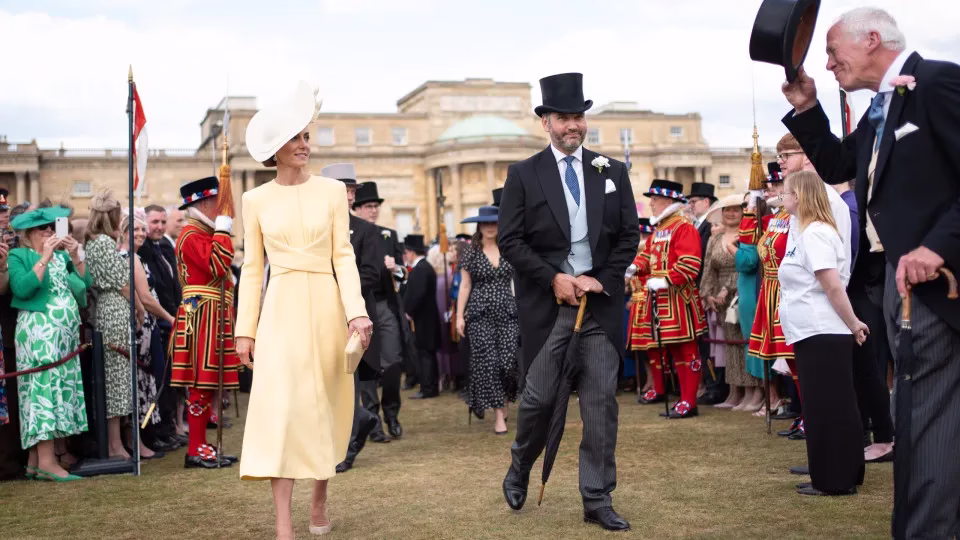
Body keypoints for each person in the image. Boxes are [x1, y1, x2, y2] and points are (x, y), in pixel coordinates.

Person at [782, 9, 960, 535]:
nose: (829, 62)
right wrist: (810, 107)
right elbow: (839, 166)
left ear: (874, 40)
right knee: (916, 421)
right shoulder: (880, 109)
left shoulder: (938, 83)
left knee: (928, 422)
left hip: (936, 285)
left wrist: (937, 246)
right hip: (899, 291)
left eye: (834, 51)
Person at [498, 73, 639, 531]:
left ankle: (597, 498)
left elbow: (628, 237)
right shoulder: (523, 174)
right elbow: (511, 241)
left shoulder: (612, 171)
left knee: (600, 405)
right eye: (563, 118)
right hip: (548, 309)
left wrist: (602, 279)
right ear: (546, 122)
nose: (573, 125)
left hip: (599, 308)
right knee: (538, 400)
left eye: (579, 116)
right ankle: (521, 465)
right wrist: (552, 277)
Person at [237, 80, 373, 539]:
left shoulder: (333, 192)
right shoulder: (254, 200)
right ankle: (282, 524)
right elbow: (252, 270)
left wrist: (357, 312)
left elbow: (343, 258)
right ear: (275, 148)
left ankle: (319, 496)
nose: (304, 145)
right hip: (279, 312)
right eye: (295, 138)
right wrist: (245, 331)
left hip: (327, 309)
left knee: (325, 406)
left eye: (306, 136)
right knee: (280, 411)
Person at [778, 170, 868, 496]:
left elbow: (831, 285)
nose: (781, 197)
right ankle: (839, 471)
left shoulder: (815, 233)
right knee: (827, 404)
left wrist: (853, 322)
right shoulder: (805, 232)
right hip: (811, 329)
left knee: (827, 406)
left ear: (799, 197)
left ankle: (835, 478)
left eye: (785, 193)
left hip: (822, 328)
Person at [9, 206, 90, 481]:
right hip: (38, 334)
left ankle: (35, 462)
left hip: (63, 337)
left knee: (57, 391)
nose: (49, 232)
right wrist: (43, 257)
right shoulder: (19, 255)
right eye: (43, 228)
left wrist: (75, 256)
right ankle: (46, 462)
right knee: (41, 392)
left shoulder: (60, 258)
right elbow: (22, 288)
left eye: (51, 227)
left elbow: (83, 287)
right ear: (28, 234)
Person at [168, 175, 241, 469]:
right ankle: (195, 449)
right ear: (202, 204)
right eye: (216, 203)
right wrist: (223, 232)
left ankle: (200, 444)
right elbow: (218, 264)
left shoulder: (201, 232)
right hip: (202, 316)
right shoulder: (191, 234)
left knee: (209, 383)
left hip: (212, 313)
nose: (222, 209)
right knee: (200, 382)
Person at [318, 163, 384, 474]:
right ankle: (356, 424)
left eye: (350, 191)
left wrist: (334, 290)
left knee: (347, 381)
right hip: (316, 315)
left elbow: (371, 275)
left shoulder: (367, 231)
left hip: (351, 317)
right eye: (342, 190)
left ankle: (345, 445)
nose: (347, 196)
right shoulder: (314, 227)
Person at [631, 180, 707, 419]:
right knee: (674, 351)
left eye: (655, 199)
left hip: (680, 300)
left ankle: (690, 401)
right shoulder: (659, 230)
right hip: (662, 303)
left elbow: (691, 263)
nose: (651, 204)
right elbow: (647, 256)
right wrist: (634, 267)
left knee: (688, 350)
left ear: (669, 201)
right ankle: (683, 399)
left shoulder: (683, 227)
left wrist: (666, 279)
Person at [456, 205, 519, 435]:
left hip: (508, 312)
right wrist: (459, 317)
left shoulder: (510, 249)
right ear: (480, 225)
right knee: (490, 363)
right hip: (479, 314)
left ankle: (504, 400)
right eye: (487, 223)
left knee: (508, 361)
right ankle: (499, 415)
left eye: (495, 222)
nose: (491, 227)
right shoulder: (470, 252)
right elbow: (465, 285)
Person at [85, 189, 139, 459]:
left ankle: (116, 442)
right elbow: (123, 283)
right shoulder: (104, 244)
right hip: (114, 309)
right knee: (116, 381)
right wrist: (139, 308)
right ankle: (114, 444)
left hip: (108, 307)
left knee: (115, 379)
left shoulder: (94, 243)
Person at [119, 208, 176, 459]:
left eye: (143, 228)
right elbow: (145, 297)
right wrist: (170, 318)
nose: (141, 233)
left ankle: (142, 439)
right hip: (141, 327)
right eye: (136, 229)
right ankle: (137, 441)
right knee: (141, 384)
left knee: (146, 383)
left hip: (148, 325)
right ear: (123, 233)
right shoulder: (129, 257)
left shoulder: (135, 256)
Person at [353, 181, 407, 438]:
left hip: (384, 305)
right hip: (360, 306)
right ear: (357, 208)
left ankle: (392, 413)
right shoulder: (347, 234)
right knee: (364, 364)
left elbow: (404, 273)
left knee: (393, 362)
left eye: (375, 206)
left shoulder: (389, 235)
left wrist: (395, 268)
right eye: (367, 206)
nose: (373, 211)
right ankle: (373, 421)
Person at [701, 194, 764, 411]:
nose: (731, 214)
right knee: (729, 346)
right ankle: (734, 391)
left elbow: (752, 265)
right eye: (727, 210)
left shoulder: (747, 234)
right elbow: (709, 267)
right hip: (720, 297)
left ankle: (754, 392)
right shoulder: (714, 239)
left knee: (747, 342)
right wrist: (708, 293)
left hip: (742, 290)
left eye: (736, 210)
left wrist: (729, 290)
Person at [138, 204, 185, 451]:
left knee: (168, 380)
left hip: (169, 319)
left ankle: (167, 429)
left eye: (162, 222)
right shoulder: (144, 250)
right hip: (158, 321)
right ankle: (157, 432)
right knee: (158, 380)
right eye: (154, 222)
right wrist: (169, 315)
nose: (159, 227)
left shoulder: (159, 249)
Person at [735, 192, 780, 410]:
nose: (746, 209)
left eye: (749, 204)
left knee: (764, 344)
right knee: (755, 345)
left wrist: (730, 248)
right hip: (750, 290)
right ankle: (765, 395)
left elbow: (747, 260)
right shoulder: (754, 224)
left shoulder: (764, 224)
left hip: (757, 288)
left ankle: (772, 396)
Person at [401, 234, 439, 399]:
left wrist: (409, 311)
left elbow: (417, 294)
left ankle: (428, 388)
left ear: (411, 252)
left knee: (425, 354)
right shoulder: (422, 267)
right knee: (426, 353)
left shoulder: (421, 269)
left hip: (424, 319)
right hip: (425, 318)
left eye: (406, 252)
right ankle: (429, 386)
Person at [625, 217, 654, 396]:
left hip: (648, 301)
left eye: (646, 233)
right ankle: (649, 378)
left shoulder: (651, 253)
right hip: (636, 304)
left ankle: (655, 381)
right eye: (640, 233)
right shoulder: (635, 255)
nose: (642, 237)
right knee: (640, 349)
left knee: (650, 346)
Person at [428, 244, 459, 393]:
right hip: (444, 313)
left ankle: (446, 375)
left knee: (444, 343)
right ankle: (451, 375)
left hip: (442, 314)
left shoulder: (442, 277)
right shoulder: (446, 275)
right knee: (447, 344)